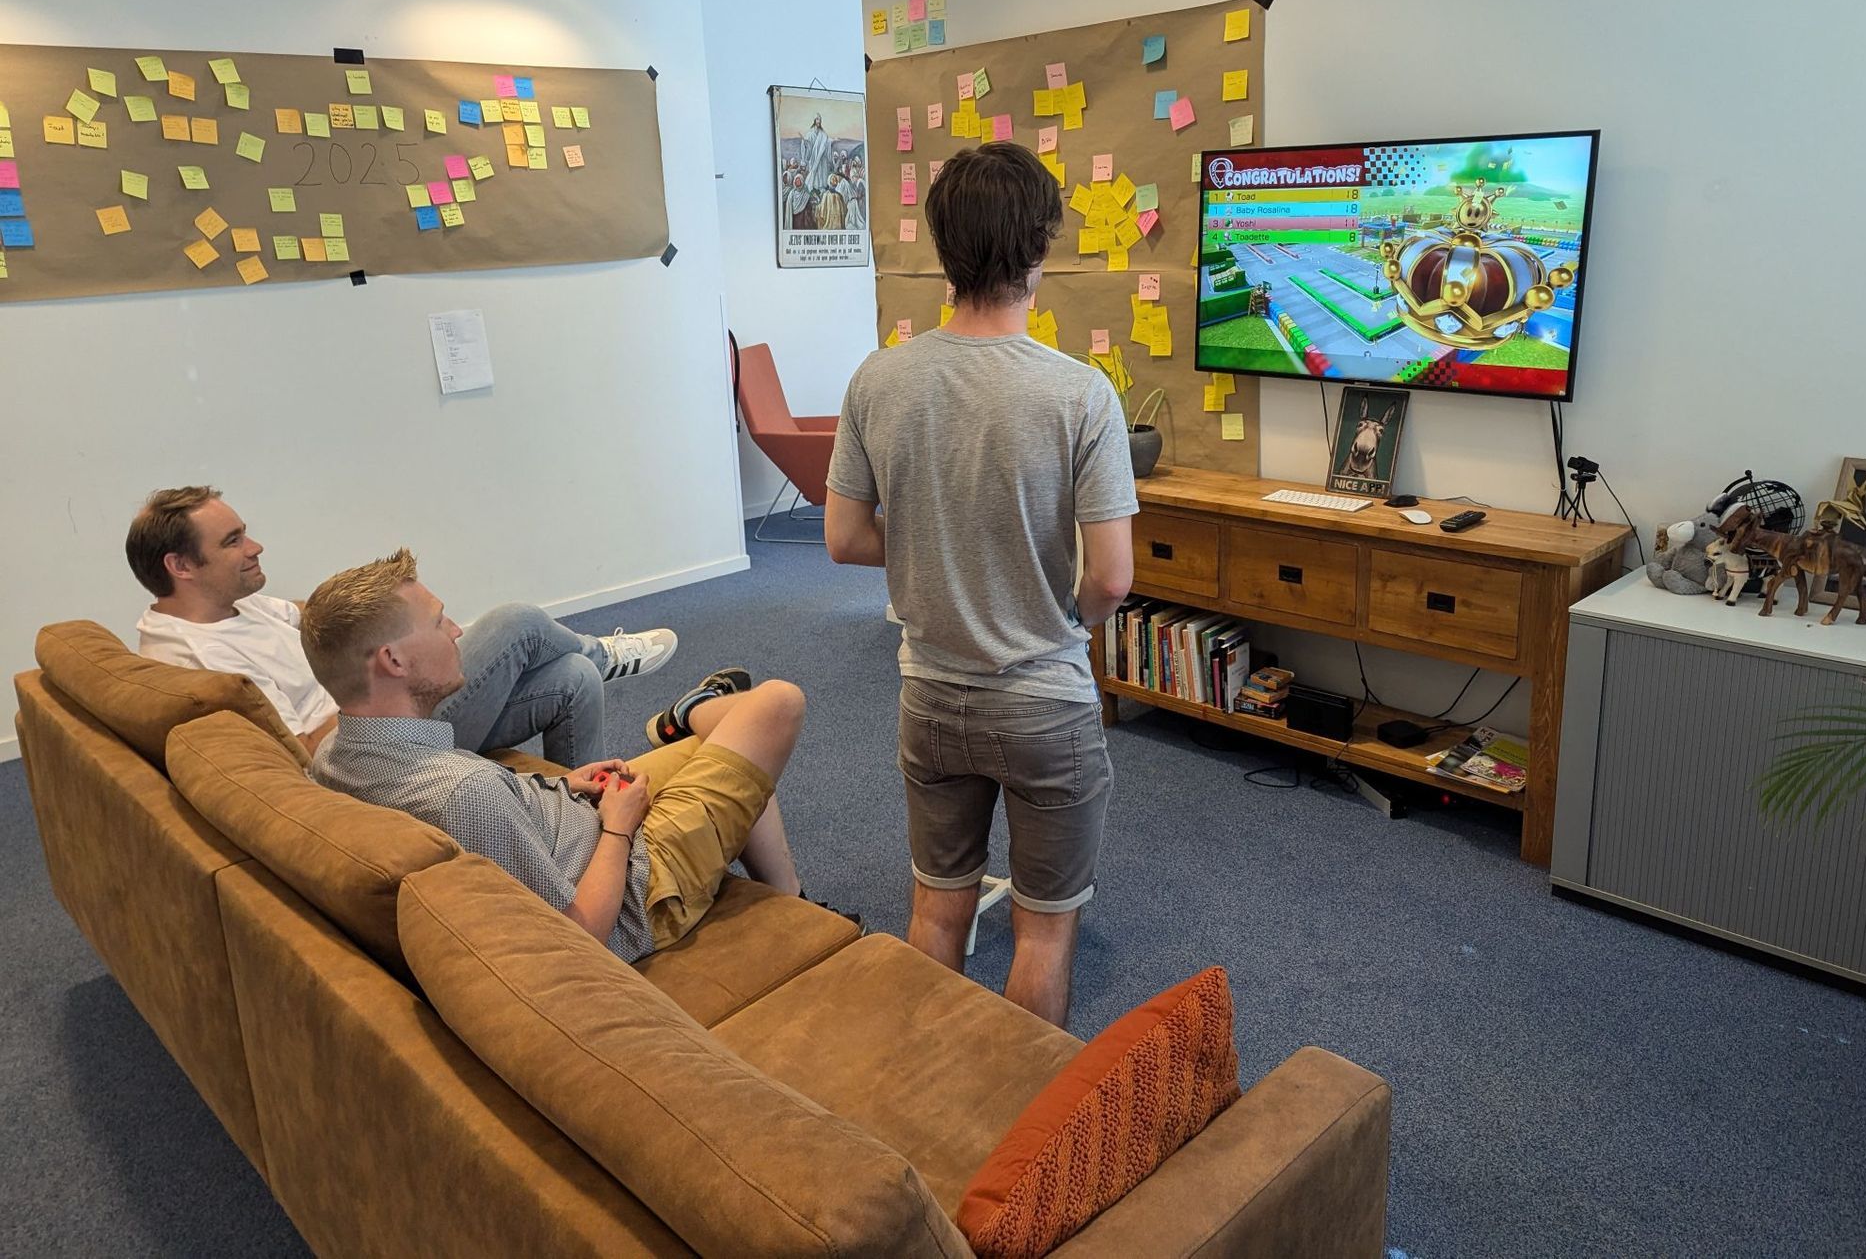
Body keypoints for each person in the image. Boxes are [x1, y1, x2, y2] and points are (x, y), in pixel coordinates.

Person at [823, 142, 1136, 1027]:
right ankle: (1019, 1106)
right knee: (1043, 930)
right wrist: (1067, 615)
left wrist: (936, 547)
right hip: (1045, 704)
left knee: (936, 907)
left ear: (942, 247)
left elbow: (845, 538)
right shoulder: (1081, 395)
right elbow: (1112, 577)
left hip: (929, 700)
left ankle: (932, 1085)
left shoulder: (878, 378)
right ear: (1041, 247)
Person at [304, 549, 818, 959]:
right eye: (439, 623)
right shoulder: (464, 793)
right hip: (641, 885)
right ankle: (693, 713)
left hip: (579, 821)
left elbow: (492, 808)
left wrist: (560, 785)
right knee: (775, 704)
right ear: (393, 661)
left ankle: (796, 905)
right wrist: (618, 827)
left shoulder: (332, 756)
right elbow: (578, 935)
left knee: (732, 743)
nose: (458, 631)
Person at [126, 486, 676, 763]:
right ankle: (607, 653)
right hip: (370, 748)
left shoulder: (239, 605)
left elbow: (320, 617)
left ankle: (585, 817)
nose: (256, 546)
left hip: (379, 708)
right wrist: (381, 672)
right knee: (517, 623)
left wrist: (388, 624)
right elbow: (301, 752)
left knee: (573, 678)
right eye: (233, 541)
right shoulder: (195, 660)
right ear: (181, 566)